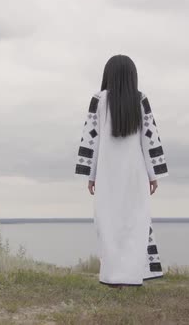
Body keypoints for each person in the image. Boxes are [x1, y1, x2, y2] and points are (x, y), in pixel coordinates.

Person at [74, 54, 169, 288]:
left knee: (108, 224)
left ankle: (112, 277)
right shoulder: (140, 99)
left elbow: (91, 139)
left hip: (108, 174)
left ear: (108, 75)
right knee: (135, 224)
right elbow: (150, 138)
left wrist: (91, 175)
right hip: (135, 174)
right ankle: (132, 277)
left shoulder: (99, 100)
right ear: (131, 76)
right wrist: (153, 174)